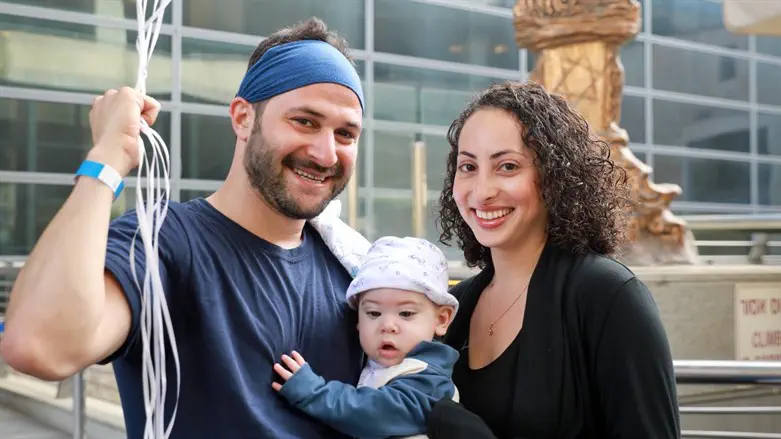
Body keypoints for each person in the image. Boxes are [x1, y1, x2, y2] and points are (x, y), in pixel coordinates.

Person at [1, 18, 372, 439]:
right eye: (305, 121)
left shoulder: (359, 272)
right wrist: (108, 157)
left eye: (345, 133)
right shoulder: (164, 241)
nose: (326, 154)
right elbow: (38, 347)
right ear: (243, 118)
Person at [424, 81, 681, 439]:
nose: (481, 191)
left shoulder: (609, 297)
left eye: (508, 166)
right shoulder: (453, 305)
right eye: (468, 167)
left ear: (555, 177)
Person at [271, 236, 460, 439]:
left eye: (406, 313)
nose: (387, 326)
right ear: (357, 320)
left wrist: (314, 392)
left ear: (441, 319)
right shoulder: (369, 365)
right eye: (373, 313)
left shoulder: (430, 380)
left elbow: (377, 414)